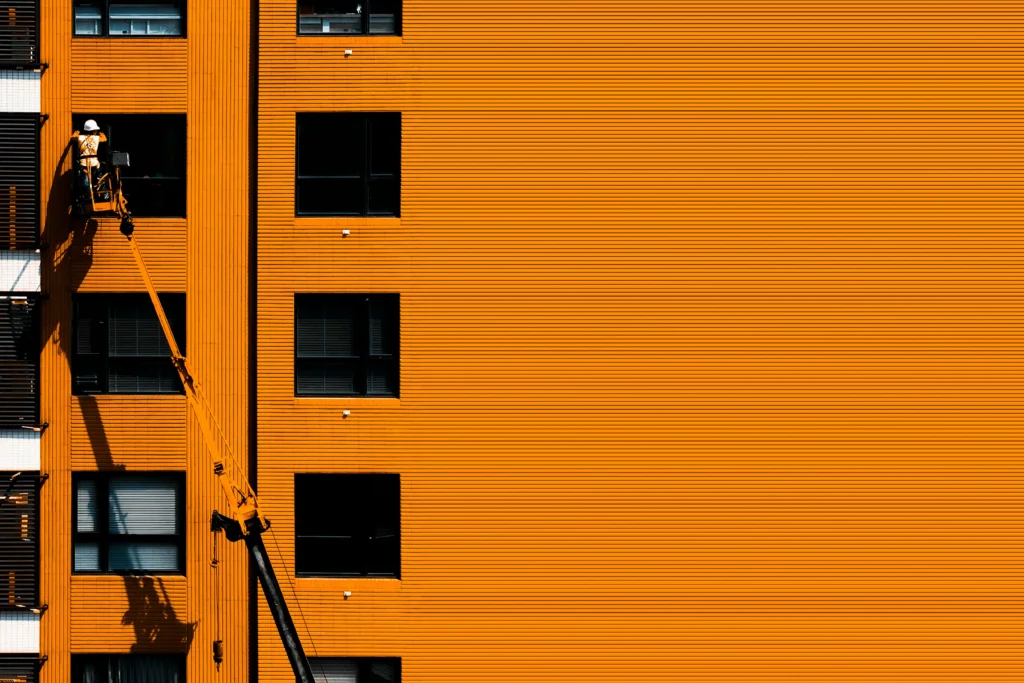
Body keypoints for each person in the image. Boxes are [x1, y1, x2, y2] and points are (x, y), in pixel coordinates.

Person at [74, 119, 107, 207]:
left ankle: (87, 196)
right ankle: (102, 194)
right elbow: (104, 139)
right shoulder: (96, 138)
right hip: (94, 163)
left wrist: (76, 133)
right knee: (100, 179)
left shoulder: (80, 138)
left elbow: (73, 137)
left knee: (85, 181)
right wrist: (102, 134)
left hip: (84, 163)